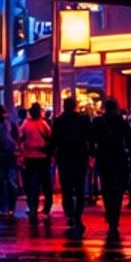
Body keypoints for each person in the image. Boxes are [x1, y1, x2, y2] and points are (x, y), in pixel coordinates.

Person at [92, 95, 131, 234]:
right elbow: (129, 140)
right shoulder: (121, 122)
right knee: (118, 189)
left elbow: (92, 139)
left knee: (106, 187)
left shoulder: (98, 122)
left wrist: (92, 153)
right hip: (119, 157)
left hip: (103, 157)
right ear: (116, 108)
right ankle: (115, 217)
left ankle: (109, 212)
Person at [52, 97, 93, 227]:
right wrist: (91, 153)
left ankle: (69, 212)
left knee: (66, 187)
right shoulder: (83, 120)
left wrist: (50, 153)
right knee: (80, 187)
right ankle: (78, 213)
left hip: (64, 157)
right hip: (80, 156)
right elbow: (90, 137)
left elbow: (54, 140)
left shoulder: (58, 121)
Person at [16, 103, 54, 221]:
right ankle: (47, 207)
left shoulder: (25, 124)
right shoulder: (44, 124)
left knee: (31, 185)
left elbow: (20, 137)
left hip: (29, 157)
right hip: (43, 157)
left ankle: (33, 207)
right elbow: (50, 137)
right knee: (46, 184)